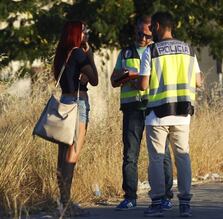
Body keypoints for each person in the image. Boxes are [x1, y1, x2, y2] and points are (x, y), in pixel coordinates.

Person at [137, 11, 203, 217]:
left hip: (157, 115)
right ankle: (185, 204)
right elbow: (199, 81)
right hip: (182, 114)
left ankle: (157, 203)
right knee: (183, 157)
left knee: (156, 159)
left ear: (156, 26)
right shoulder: (188, 50)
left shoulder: (152, 51)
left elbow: (143, 85)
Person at [110, 16, 174, 211]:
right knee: (130, 154)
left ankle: (165, 195)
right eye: (140, 33)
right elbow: (113, 80)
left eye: (147, 35)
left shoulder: (157, 52)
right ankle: (130, 196)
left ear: (153, 32)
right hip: (132, 109)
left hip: (153, 107)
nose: (143, 38)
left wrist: (138, 78)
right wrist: (123, 76)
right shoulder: (126, 52)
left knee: (162, 154)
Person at [53, 20, 98, 217]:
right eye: (84, 30)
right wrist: (90, 55)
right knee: (73, 153)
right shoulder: (79, 53)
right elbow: (95, 79)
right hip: (78, 105)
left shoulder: (62, 54)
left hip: (64, 101)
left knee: (62, 155)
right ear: (77, 34)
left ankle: (63, 201)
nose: (87, 33)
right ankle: (67, 203)